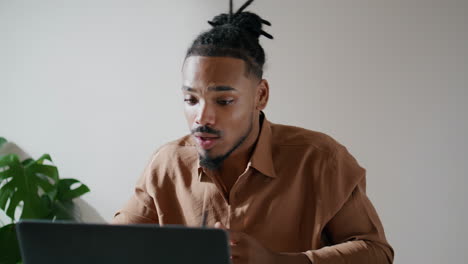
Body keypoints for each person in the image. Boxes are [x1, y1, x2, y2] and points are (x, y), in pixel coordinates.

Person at [113, 1, 394, 263]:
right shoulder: (167, 164)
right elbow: (110, 245)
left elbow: (377, 253)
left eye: (223, 101)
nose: (202, 117)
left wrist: (279, 261)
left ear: (260, 95)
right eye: (191, 100)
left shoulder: (320, 158)